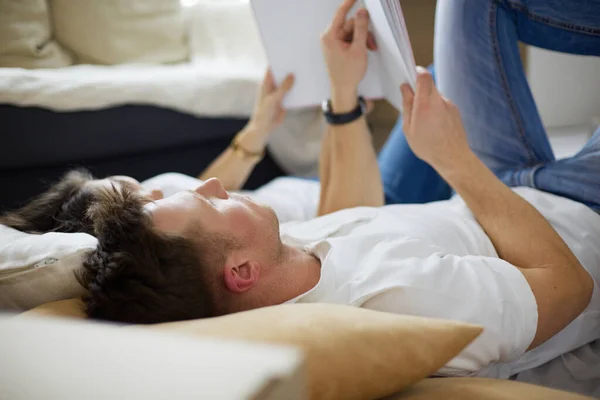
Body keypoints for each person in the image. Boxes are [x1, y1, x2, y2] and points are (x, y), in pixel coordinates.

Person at [2, 0, 599, 380]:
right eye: (210, 201)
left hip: (509, 192)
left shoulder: (280, 265)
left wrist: (342, 99)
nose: (211, 183)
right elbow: (570, 287)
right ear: (239, 273)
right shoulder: (395, 303)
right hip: (578, 211)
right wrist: (455, 161)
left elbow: (356, 216)